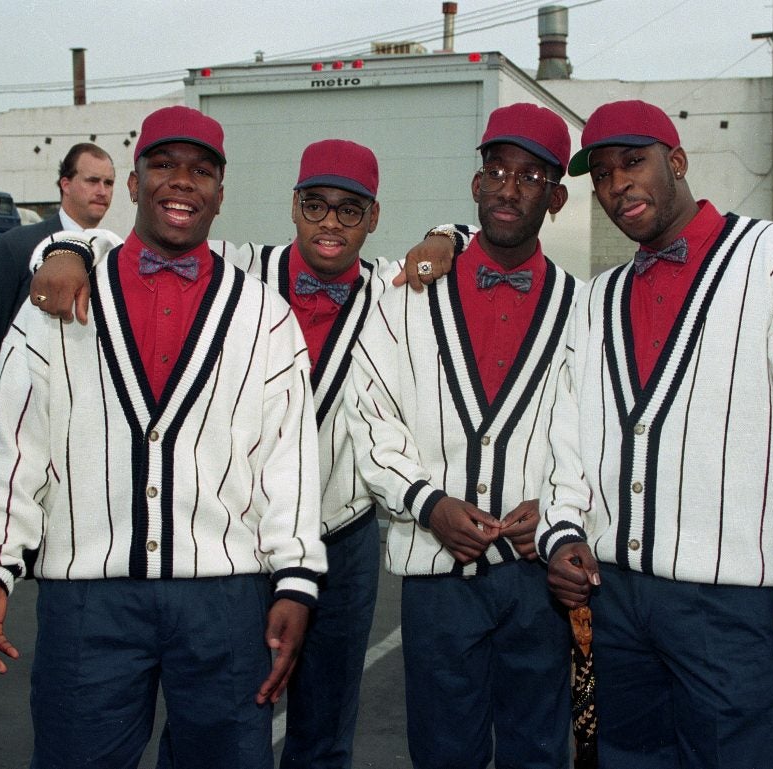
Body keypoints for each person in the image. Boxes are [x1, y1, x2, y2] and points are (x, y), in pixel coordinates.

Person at [27, 137, 469, 769]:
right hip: (232, 549)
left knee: (324, 721)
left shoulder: (395, 295)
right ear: (293, 206)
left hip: (340, 543)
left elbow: (496, 232)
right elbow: (117, 244)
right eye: (316, 205)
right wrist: (63, 247)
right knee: (212, 723)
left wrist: (448, 234)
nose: (330, 223)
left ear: (374, 218)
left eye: (351, 210)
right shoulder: (241, 269)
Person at [0, 105, 327, 769]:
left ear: (221, 193)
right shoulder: (57, 305)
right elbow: (16, 445)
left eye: (201, 171)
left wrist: (295, 579)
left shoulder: (264, 315)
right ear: (134, 183)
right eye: (163, 166)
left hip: (224, 596)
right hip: (89, 595)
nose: (182, 182)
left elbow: (286, 461)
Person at [538, 99, 773, 769]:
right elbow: (569, 432)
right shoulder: (600, 295)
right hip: (620, 595)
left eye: (633, 162)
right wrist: (565, 529)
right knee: (630, 758)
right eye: (602, 174)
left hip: (736, 601)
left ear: (678, 161)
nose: (617, 186)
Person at [344, 102, 579, 769]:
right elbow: (371, 416)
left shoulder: (582, 308)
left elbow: (590, 433)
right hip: (435, 572)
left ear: (555, 197)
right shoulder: (407, 298)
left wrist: (563, 513)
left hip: (537, 577)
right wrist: (426, 501)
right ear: (476, 184)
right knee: (443, 751)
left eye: (531, 176)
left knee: (538, 750)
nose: (509, 187)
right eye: (497, 170)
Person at [0, 142, 115, 376]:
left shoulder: (112, 253)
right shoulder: (17, 245)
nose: (102, 191)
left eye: (108, 183)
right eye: (92, 181)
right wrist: (13, 390)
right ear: (66, 185)